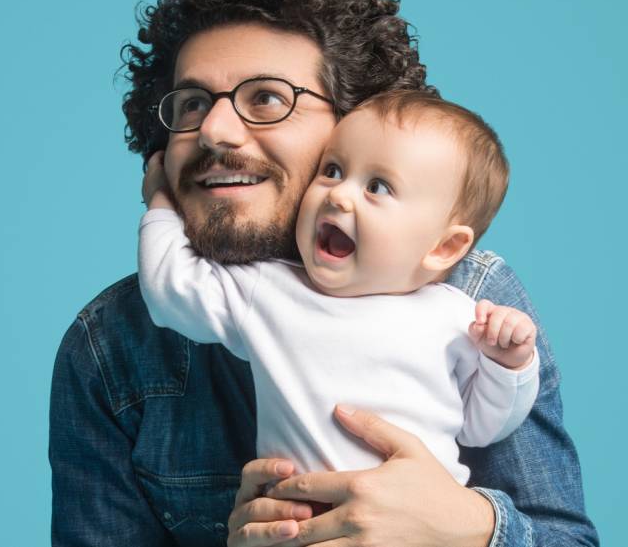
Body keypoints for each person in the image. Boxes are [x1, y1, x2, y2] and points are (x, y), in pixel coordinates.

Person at [49, 0, 598, 546]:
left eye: (266, 98)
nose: (214, 132)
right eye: (193, 103)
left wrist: (472, 529)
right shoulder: (110, 346)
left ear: (351, 124)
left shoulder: (475, 300)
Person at [138, 90, 540, 484]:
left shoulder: (459, 317)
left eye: (377, 187)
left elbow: (483, 429)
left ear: (443, 247)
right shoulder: (265, 289)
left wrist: (509, 364)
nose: (339, 196)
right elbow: (169, 289)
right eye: (331, 171)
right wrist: (160, 203)